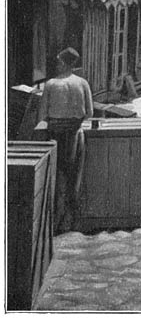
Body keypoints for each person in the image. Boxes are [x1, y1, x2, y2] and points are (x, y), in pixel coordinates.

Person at [38, 47, 94, 233]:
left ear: (64, 63)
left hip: (55, 135)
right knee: (74, 177)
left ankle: (55, 222)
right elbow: (90, 112)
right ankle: (71, 222)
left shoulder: (51, 84)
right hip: (75, 134)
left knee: (56, 178)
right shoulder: (82, 83)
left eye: (58, 61)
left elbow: (42, 115)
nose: (56, 64)